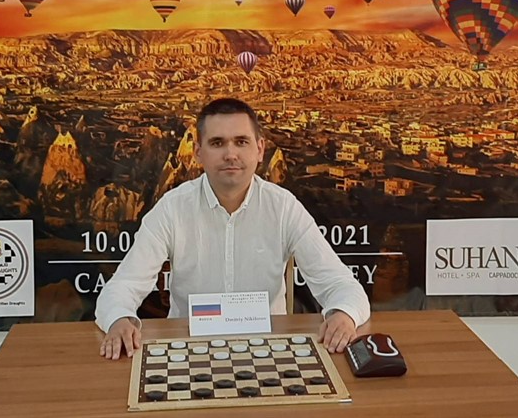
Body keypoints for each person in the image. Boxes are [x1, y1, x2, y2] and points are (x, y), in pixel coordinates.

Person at [96, 98, 370, 360]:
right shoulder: (172, 208)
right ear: (198, 152)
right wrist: (119, 319)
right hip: (188, 350)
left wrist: (344, 315)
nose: (230, 154)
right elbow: (124, 286)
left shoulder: (283, 207)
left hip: (269, 351)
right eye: (217, 143)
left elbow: (341, 285)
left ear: (260, 149)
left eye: (241, 142)